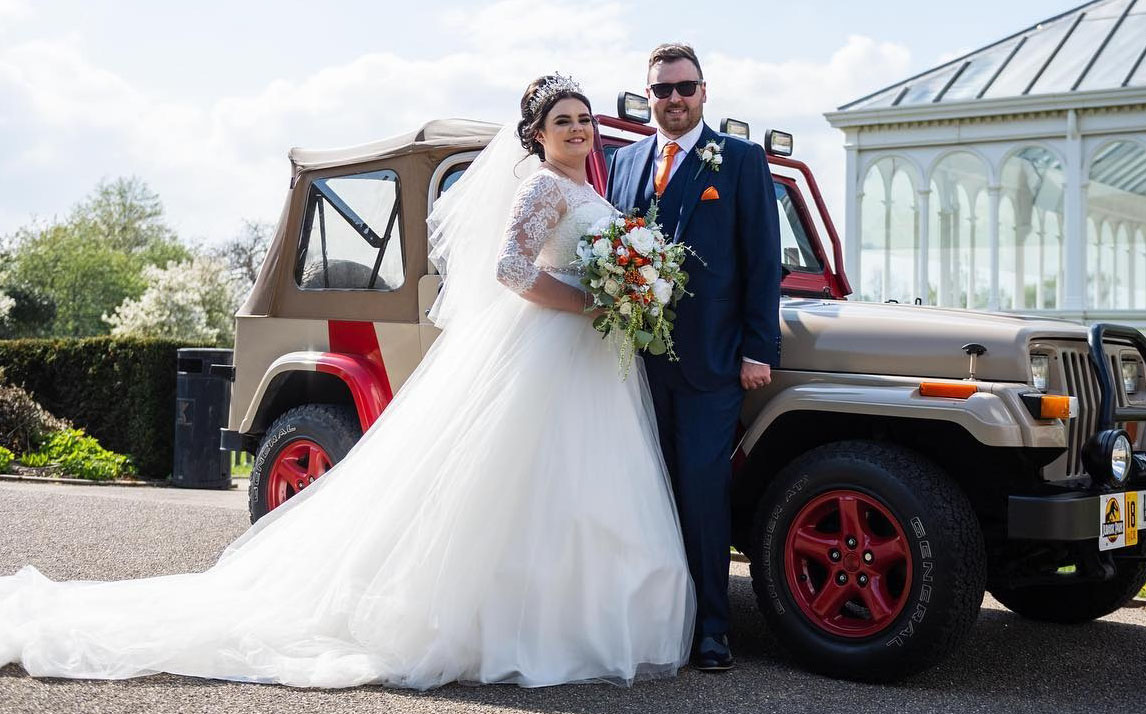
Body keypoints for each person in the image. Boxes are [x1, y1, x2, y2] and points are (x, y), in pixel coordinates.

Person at [0, 75, 694, 690]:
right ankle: (512, 625)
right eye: (563, 121)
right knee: (522, 477)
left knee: (579, 482)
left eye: (584, 119)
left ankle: (577, 616)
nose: (578, 129)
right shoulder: (543, 186)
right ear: (537, 136)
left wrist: (625, 292)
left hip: (589, 356)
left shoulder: (587, 189)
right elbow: (510, 269)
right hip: (549, 341)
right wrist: (592, 301)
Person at [606, 43, 782, 672]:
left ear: (704, 91)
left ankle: (711, 629)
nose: (673, 99)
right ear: (648, 95)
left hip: (713, 363)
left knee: (703, 494)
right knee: (639, 491)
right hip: (633, 366)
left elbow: (764, 262)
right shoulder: (622, 162)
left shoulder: (739, 160)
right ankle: (654, 624)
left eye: (685, 88)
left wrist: (759, 349)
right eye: (661, 90)